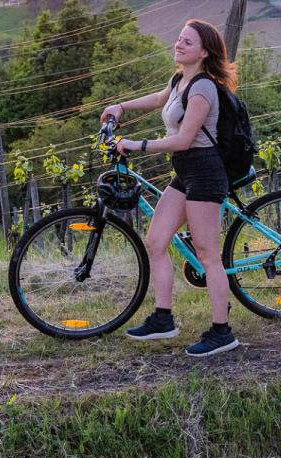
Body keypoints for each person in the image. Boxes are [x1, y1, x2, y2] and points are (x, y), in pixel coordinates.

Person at [100, 19, 239, 358]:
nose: (179, 45)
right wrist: (121, 106)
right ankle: (163, 319)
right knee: (156, 240)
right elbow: (160, 99)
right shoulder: (180, 79)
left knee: (207, 254)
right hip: (186, 172)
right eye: (178, 39)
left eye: (187, 43)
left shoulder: (204, 88)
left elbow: (184, 139)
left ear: (204, 52)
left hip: (205, 172)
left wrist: (136, 144)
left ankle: (222, 332)